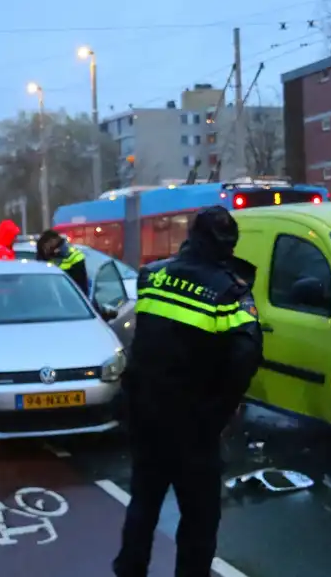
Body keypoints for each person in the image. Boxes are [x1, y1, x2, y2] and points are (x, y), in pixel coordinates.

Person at [113, 206, 262, 577]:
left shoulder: (151, 277)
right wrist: (218, 414)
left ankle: (130, 570)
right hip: (193, 425)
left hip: (146, 414)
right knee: (199, 517)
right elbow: (245, 358)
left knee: (143, 504)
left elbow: (144, 340)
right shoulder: (229, 292)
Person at [35, 230, 89, 295]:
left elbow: (81, 287)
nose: (45, 248)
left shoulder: (74, 256)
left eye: (46, 244)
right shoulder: (44, 255)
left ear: (54, 240)